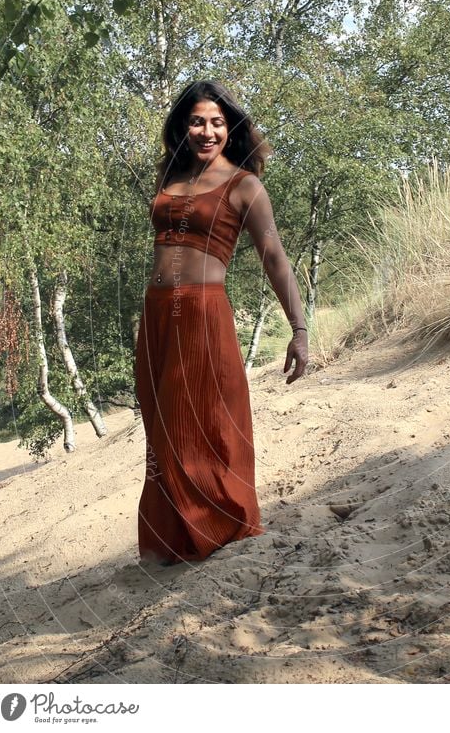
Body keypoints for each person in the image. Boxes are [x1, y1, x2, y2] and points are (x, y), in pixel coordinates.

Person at [134, 79, 308, 566]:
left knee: (205, 420)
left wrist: (299, 329)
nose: (206, 131)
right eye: (196, 121)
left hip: (202, 313)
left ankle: (220, 525)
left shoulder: (244, 185)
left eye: (216, 122)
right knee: (163, 426)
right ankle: (175, 538)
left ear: (229, 128)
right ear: (182, 126)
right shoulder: (170, 177)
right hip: (155, 315)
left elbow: (275, 257)